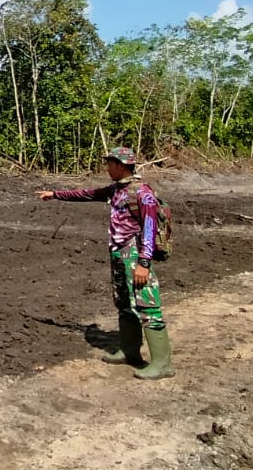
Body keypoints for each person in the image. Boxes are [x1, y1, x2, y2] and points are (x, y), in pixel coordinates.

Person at [36, 147, 174, 380]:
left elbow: (150, 228)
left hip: (136, 255)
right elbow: (88, 194)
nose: (107, 168)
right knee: (124, 303)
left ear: (120, 165)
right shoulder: (116, 190)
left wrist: (144, 262)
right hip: (119, 254)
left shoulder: (142, 193)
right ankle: (130, 351)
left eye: (109, 164)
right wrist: (55, 194)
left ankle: (162, 363)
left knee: (148, 304)